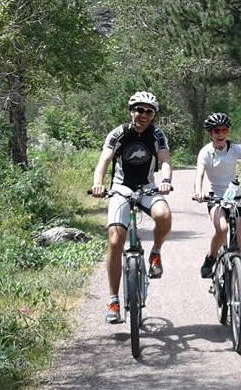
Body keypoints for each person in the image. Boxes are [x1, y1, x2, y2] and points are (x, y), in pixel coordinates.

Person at [91, 91, 173, 324]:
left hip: (147, 187)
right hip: (121, 188)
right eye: (139, 110)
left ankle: (155, 253)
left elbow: (165, 159)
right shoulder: (119, 133)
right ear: (131, 111)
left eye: (149, 111)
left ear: (153, 115)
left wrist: (166, 180)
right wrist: (98, 184)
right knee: (116, 242)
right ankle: (114, 299)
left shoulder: (157, 134)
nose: (143, 115)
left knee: (164, 215)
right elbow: (104, 160)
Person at [192, 112, 241, 318]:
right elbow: (199, 174)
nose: (221, 134)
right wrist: (198, 191)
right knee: (222, 229)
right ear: (210, 133)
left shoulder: (235, 149)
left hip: (235, 199)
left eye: (224, 130)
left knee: (240, 252)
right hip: (215, 198)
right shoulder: (206, 152)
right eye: (217, 131)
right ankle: (211, 257)